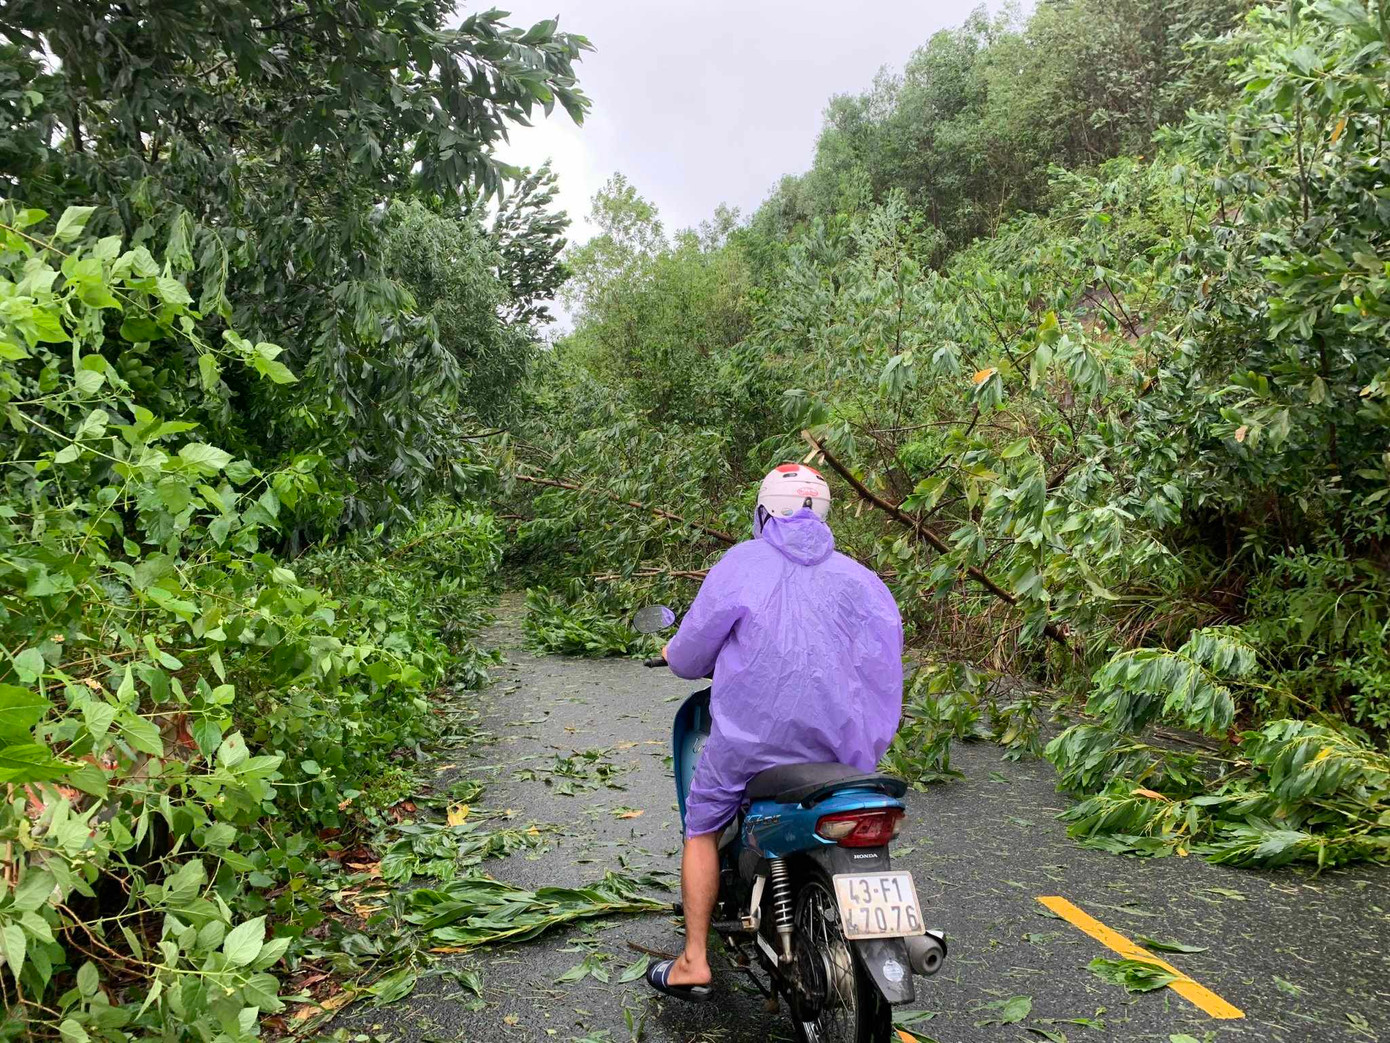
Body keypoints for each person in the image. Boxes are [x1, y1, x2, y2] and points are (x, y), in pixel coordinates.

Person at [644, 463, 904, 1002]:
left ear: (764, 512)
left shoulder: (741, 565)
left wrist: (672, 651)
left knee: (700, 825)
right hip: (841, 755)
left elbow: (691, 657)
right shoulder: (863, 581)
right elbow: (883, 672)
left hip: (749, 750)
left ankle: (694, 960)